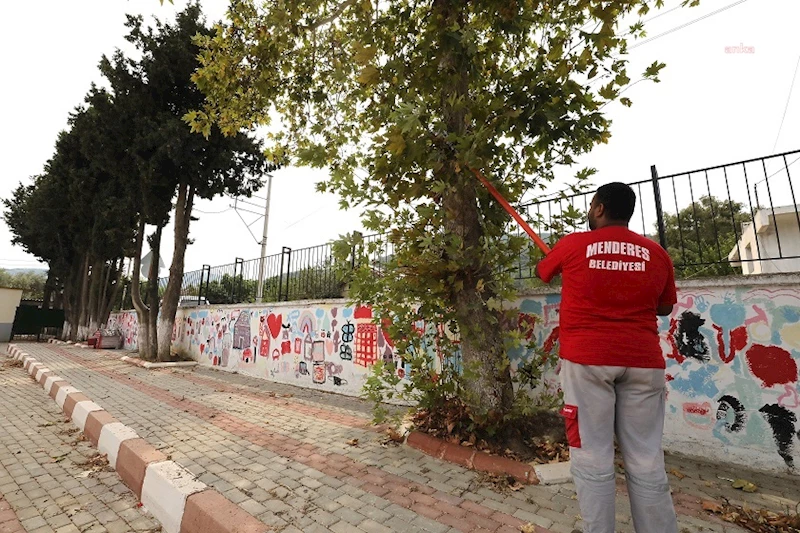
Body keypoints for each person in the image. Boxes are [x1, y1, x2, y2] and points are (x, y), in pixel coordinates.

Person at [535, 182, 678, 533]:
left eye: (590, 206)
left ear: (598, 208)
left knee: (592, 457)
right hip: (643, 363)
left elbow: (542, 273)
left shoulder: (574, 244)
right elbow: (664, 307)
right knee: (646, 459)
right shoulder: (656, 253)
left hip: (588, 363)